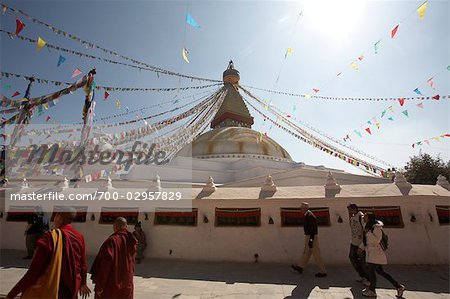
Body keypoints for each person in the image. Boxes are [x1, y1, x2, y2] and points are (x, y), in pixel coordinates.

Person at [7, 207, 91, 299]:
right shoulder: (79, 236)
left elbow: (34, 271)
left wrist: (12, 294)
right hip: (72, 287)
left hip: (53, 288)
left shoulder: (50, 238)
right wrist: (83, 283)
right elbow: (83, 265)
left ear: (59, 216)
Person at [90, 217, 137, 299]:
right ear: (126, 226)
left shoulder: (112, 241)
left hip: (112, 286)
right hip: (127, 284)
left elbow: (105, 266)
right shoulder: (131, 240)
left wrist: (100, 286)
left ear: (115, 227)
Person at [362, 213, 405, 297]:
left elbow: (377, 240)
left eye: (365, 217)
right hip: (371, 253)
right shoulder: (368, 227)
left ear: (369, 218)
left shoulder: (376, 228)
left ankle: (372, 290)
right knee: (380, 272)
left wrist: (368, 233)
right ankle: (398, 286)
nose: (364, 218)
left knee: (371, 272)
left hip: (376, 253)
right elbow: (366, 240)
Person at [291, 202, 327, 277]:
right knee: (307, 252)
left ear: (305, 208)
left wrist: (311, 239)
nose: (300, 209)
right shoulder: (307, 215)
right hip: (309, 236)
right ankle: (300, 267)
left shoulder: (310, 216)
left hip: (311, 236)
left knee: (316, 254)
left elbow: (313, 229)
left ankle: (323, 271)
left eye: (301, 208)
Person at [347, 204, 369, 285]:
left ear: (355, 209)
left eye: (350, 210)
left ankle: (368, 278)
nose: (349, 212)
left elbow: (365, 230)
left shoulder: (361, 217)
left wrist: (363, 244)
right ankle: (361, 274)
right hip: (354, 242)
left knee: (363, 261)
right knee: (352, 257)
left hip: (360, 243)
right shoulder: (353, 218)